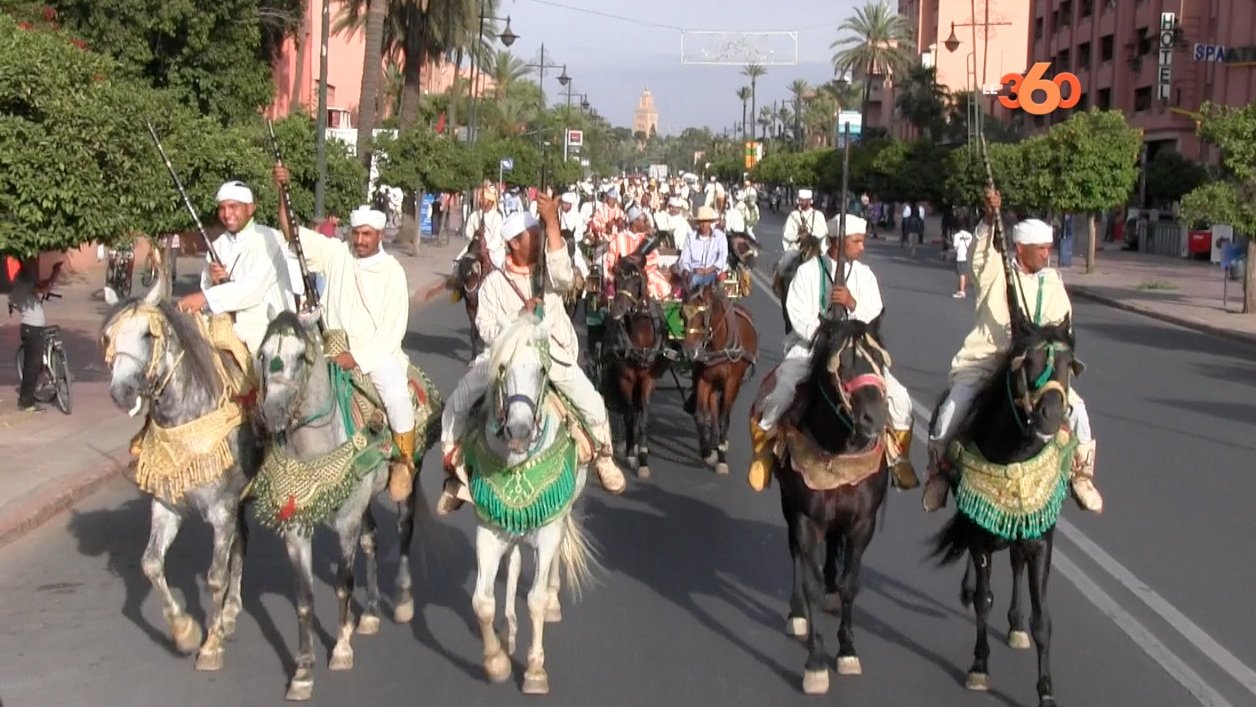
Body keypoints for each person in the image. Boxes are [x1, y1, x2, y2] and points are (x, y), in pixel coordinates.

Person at [437, 198, 627, 514]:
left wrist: (552, 223)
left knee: (592, 400)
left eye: (540, 234)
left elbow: (565, 278)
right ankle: (456, 473)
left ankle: (604, 456)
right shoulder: (494, 283)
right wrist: (517, 322)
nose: (539, 241)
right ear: (514, 243)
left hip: (551, 355)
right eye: (534, 236)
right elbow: (484, 327)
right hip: (504, 358)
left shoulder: (549, 274)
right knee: (459, 401)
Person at [924, 190, 1102, 513]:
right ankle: (938, 471)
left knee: (1078, 412)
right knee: (953, 408)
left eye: (1049, 248)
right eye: (1041, 250)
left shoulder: (1053, 282)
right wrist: (990, 218)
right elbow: (979, 254)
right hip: (988, 360)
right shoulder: (996, 271)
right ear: (1020, 248)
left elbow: (1064, 329)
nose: (1047, 255)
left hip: (1038, 369)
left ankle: (1082, 475)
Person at [274, 167, 419, 502]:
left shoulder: (393, 272)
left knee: (397, 395)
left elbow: (392, 331)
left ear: (379, 235)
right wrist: (282, 191)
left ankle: (404, 461)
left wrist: (357, 357)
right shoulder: (337, 253)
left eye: (366, 234)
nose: (360, 240)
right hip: (331, 347)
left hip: (376, 356)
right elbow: (291, 233)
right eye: (356, 234)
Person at [748, 214, 920, 491]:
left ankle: (899, 458)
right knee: (781, 392)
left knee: (899, 398)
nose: (863, 247)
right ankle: (765, 451)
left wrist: (852, 303)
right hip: (810, 349)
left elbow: (873, 314)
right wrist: (828, 336)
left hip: (855, 350)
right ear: (838, 242)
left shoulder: (864, 275)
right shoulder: (807, 272)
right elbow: (798, 316)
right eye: (857, 241)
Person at [176, 181, 294, 353]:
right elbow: (207, 289)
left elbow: (251, 291)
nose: (227, 214)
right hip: (225, 329)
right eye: (222, 208)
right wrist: (214, 282)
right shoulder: (217, 245)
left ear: (251, 208)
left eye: (233, 207)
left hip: (266, 334)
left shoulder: (270, 239)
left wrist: (206, 296)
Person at [9, 259, 62, 412]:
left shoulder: (19, 283)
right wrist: (55, 272)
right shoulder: (24, 283)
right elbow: (44, 287)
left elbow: (39, 287)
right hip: (32, 329)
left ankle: (29, 393)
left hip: (30, 328)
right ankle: (26, 402)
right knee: (31, 366)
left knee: (33, 364)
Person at [602, 206, 672, 301]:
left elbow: (654, 258)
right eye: (643, 221)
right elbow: (609, 262)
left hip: (646, 274)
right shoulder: (618, 239)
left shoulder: (646, 238)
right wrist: (617, 268)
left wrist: (642, 260)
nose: (646, 224)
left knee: (663, 285)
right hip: (624, 278)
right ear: (635, 222)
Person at [776, 188, 828, 277]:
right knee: (783, 266)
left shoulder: (818, 215)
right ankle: (777, 284)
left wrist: (810, 236)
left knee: (828, 269)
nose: (800, 202)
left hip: (815, 248)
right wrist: (798, 237)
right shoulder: (793, 215)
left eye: (803, 201)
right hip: (797, 248)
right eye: (799, 200)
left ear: (809, 201)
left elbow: (823, 231)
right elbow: (787, 233)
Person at [457, 182, 505, 270]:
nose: (482, 201)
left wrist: (487, 248)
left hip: (493, 250)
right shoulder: (474, 215)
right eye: (482, 199)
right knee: (459, 262)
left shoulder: (496, 217)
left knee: (497, 269)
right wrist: (474, 237)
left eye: (485, 200)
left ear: (491, 202)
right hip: (475, 246)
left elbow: (497, 237)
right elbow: (468, 230)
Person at [678, 206, 727, 290]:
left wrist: (710, 269)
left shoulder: (720, 236)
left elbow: (723, 257)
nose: (703, 224)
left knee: (720, 291)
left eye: (706, 222)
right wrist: (693, 270)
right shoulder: (691, 238)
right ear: (697, 223)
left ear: (710, 222)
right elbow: (684, 260)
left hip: (713, 273)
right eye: (701, 222)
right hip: (695, 275)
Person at [952, 227, 974, 298]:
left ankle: (962, 291)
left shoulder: (957, 236)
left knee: (961, 274)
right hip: (968, 256)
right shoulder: (969, 235)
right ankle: (960, 289)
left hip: (960, 257)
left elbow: (955, 247)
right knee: (965, 273)